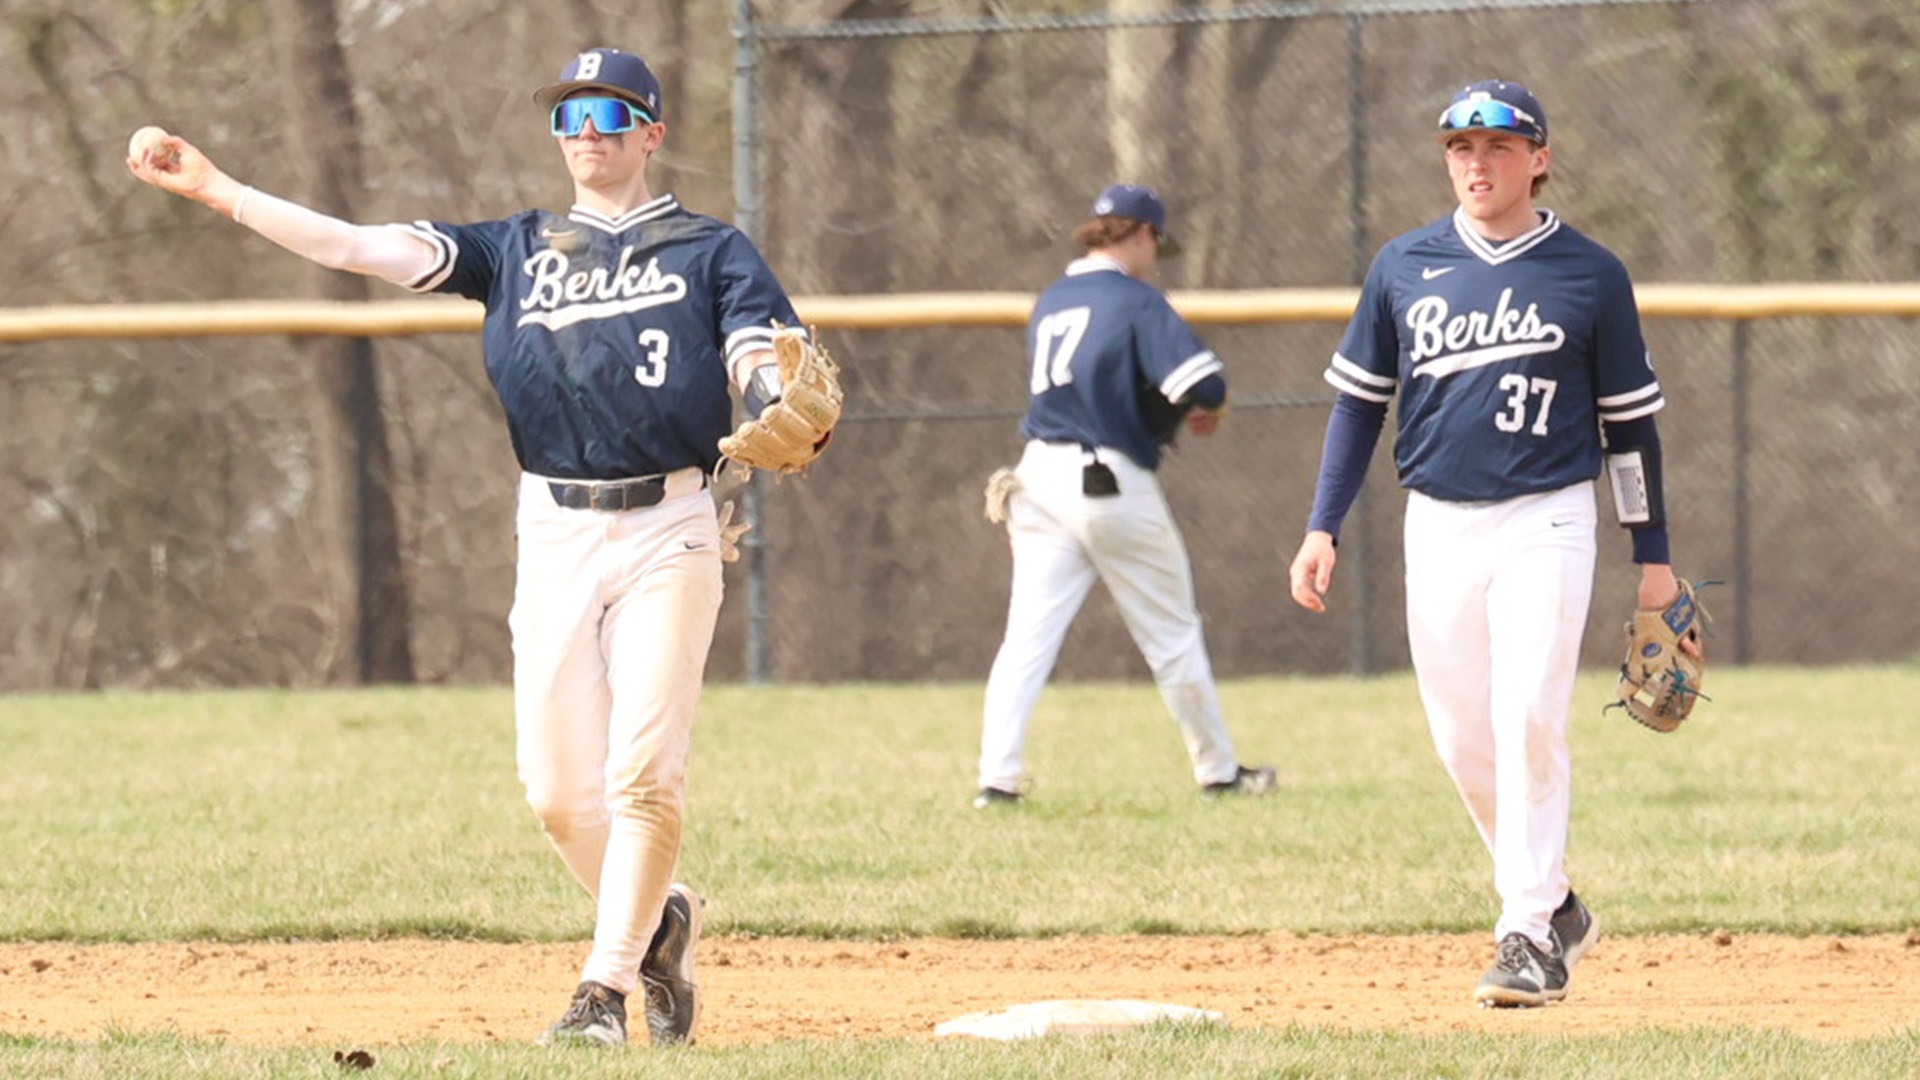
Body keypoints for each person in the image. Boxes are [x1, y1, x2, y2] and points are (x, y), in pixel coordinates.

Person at [128, 47, 814, 1047]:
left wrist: (769, 395)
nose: (587, 133)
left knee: (641, 777)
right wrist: (220, 188)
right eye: (570, 117)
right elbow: (359, 248)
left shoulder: (711, 251)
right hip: (554, 527)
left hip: (673, 524)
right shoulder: (513, 249)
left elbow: (760, 348)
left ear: (653, 134)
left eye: (611, 115)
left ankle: (601, 994)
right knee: (554, 793)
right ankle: (662, 922)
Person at [1287, 80, 1686, 1007]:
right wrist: (1322, 523)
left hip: (1547, 517)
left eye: (1499, 148)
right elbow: (1358, 406)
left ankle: (1523, 939)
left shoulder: (1591, 274)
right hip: (1437, 520)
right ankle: (1558, 908)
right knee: (1463, 738)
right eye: (1461, 147)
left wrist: (1654, 559)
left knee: (1527, 715)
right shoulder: (1404, 265)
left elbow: (1631, 428)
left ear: (1539, 158)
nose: (1477, 163)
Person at [975, 183, 1277, 809]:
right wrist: (1205, 409)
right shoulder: (1136, 300)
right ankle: (1219, 772)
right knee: (1171, 634)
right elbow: (1207, 383)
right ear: (1141, 235)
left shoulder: (1052, 301)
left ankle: (996, 782)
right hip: (1105, 483)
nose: (1155, 255)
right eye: (1155, 243)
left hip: (1035, 479)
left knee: (1027, 638)